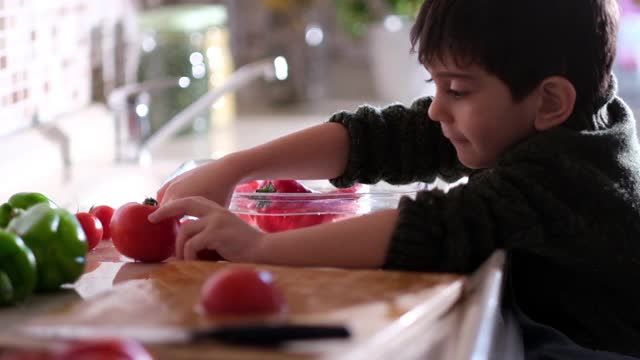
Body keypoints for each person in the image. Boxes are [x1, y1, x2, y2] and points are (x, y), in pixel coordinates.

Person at [149, 0, 640, 358]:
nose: (438, 108)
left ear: (550, 101)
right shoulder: (564, 121)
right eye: (435, 84)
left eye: (458, 89)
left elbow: (439, 225)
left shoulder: (572, 174)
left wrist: (259, 251)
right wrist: (233, 168)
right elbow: (386, 137)